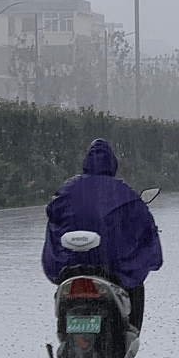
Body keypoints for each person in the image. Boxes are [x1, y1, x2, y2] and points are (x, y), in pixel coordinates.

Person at [42, 139, 163, 343]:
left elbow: (54, 216)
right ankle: (130, 331)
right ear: (112, 163)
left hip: (71, 265)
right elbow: (143, 224)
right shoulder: (123, 192)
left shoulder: (70, 188)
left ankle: (64, 335)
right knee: (136, 287)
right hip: (111, 266)